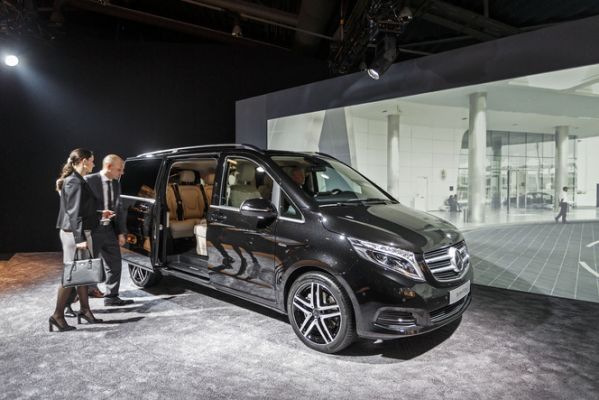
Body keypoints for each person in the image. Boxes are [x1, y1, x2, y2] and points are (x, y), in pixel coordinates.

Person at [51, 148, 103, 332]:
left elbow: (82, 209)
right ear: (83, 161)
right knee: (72, 274)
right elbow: (74, 213)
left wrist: (99, 214)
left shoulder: (78, 180)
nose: (94, 164)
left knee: (82, 274)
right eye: (92, 160)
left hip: (79, 232)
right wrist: (80, 238)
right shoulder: (73, 181)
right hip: (75, 234)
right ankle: (57, 315)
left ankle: (85, 310)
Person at [85, 154, 134, 306]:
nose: (122, 173)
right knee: (87, 266)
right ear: (109, 167)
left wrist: (121, 232)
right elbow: (81, 208)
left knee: (114, 264)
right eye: (120, 169)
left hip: (109, 230)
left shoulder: (116, 184)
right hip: (92, 230)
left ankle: (111, 297)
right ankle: (79, 298)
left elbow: (119, 208)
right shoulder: (88, 181)